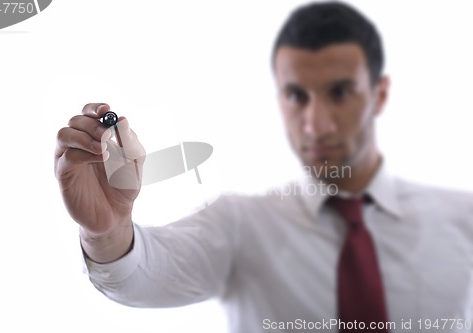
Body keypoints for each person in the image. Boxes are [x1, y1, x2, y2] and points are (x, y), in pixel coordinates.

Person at [54, 2, 473, 332]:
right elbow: (140, 278)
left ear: (379, 94)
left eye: (340, 92)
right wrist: (107, 230)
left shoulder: (464, 221)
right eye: (296, 95)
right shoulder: (241, 226)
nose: (315, 122)